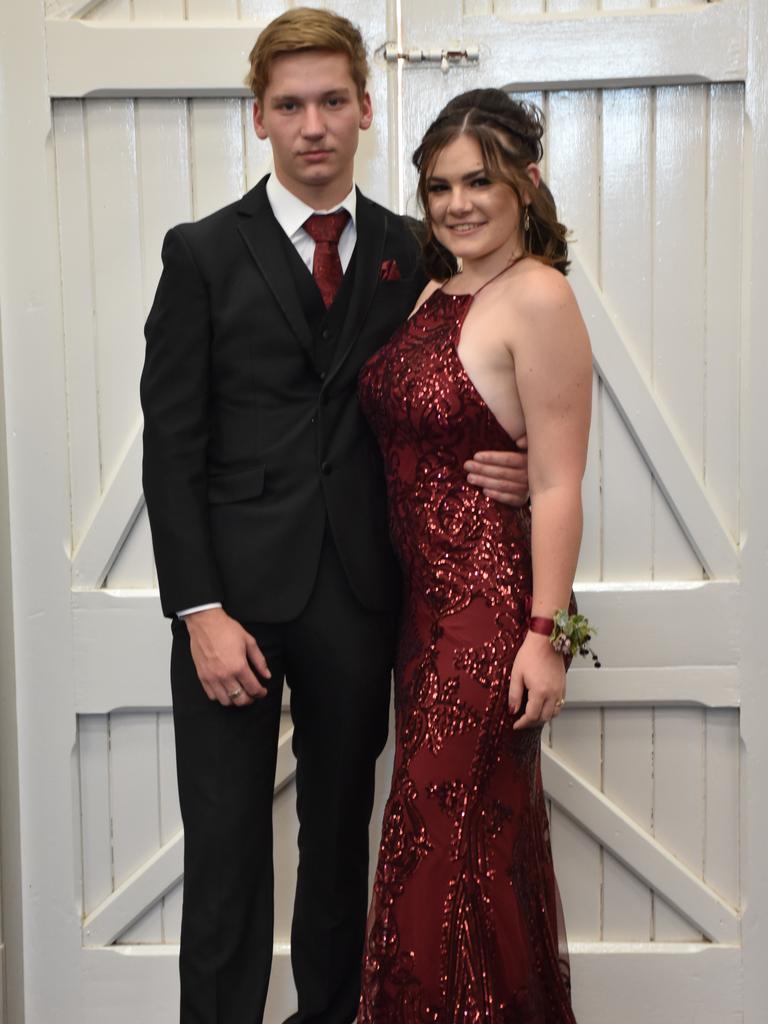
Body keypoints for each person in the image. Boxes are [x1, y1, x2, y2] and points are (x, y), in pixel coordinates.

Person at [140, 11, 530, 1024]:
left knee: (338, 838)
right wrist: (197, 610)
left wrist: (515, 465)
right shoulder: (201, 255)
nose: (312, 124)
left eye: (331, 101)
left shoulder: (416, 250)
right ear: (260, 117)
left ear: (364, 106)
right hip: (232, 607)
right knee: (225, 847)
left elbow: (479, 372)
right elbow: (170, 448)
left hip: (361, 595)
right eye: (289, 105)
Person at [357, 88, 592, 1022]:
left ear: (526, 185)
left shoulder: (535, 292)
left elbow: (562, 482)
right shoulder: (435, 288)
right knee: (451, 846)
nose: (456, 203)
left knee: (447, 852)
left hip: (490, 619)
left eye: (479, 182)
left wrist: (549, 633)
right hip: (427, 619)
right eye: (438, 186)